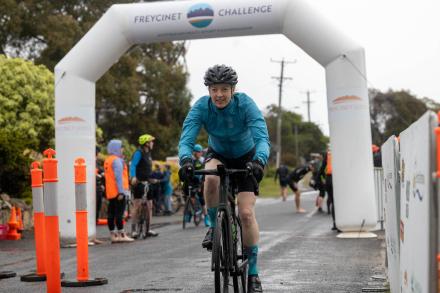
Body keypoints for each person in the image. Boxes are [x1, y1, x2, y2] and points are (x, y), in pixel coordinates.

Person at [178, 65, 269, 293]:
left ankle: (254, 273)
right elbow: (187, 138)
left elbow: (261, 136)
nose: (219, 94)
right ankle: (212, 225)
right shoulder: (201, 106)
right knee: (210, 179)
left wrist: (259, 160)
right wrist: (186, 160)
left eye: (224, 89)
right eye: (214, 89)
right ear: (208, 90)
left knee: (246, 213)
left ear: (233, 89)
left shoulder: (245, 104)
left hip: (248, 158)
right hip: (218, 154)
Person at [104, 139, 134, 243]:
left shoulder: (108, 160)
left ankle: (113, 235)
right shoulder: (117, 160)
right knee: (119, 214)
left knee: (111, 214)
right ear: (116, 148)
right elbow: (118, 177)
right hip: (119, 192)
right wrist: (121, 192)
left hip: (111, 192)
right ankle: (122, 235)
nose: (122, 149)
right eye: (121, 147)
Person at [130, 134, 159, 238]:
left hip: (148, 183)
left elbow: (148, 170)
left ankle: (148, 229)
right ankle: (133, 230)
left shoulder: (149, 154)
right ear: (146, 143)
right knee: (137, 205)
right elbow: (133, 165)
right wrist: (133, 177)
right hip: (139, 183)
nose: (152, 143)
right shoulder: (139, 153)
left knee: (150, 206)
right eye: (151, 141)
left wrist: (153, 178)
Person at [319, 149, 338, 231]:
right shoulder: (340, 151)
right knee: (337, 202)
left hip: (328, 179)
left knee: (332, 200)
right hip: (336, 177)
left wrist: (322, 178)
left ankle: (334, 223)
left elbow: (321, 169)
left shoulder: (328, 154)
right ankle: (340, 223)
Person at [192, 144, 209, 227]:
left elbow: (205, 172)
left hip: (201, 181)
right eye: (197, 152)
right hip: (193, 181)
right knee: (187, 193)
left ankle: (206, 217)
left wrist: (201, 183)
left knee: (202, 200)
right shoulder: (191, 160)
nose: (199, 153)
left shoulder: (203, 160)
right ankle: (190, 212)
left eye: (200, 152)